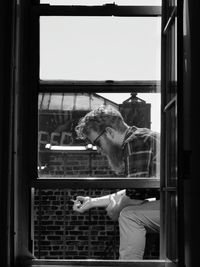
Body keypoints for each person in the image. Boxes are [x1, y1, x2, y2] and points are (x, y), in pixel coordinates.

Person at [72, 105, 160, 260]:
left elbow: (134, 197)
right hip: (178, 202)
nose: (98, 149)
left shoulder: (135, 142)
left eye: (98, 143)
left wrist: (116, 210)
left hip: (185, 207)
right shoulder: (140, 137)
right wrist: (93, 202)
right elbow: (134, 191)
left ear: (109, 132)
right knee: (130, 212)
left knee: (129, 215)